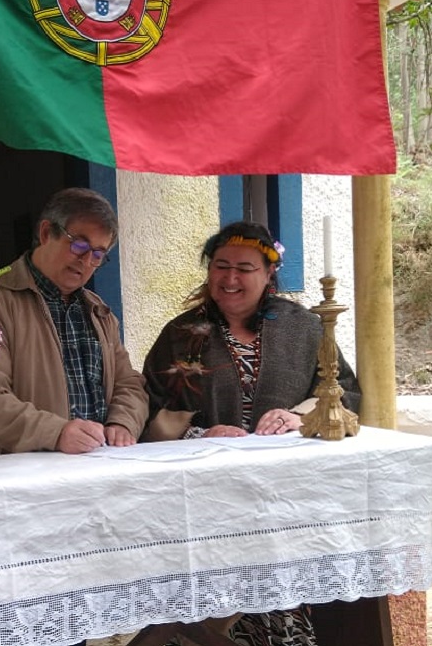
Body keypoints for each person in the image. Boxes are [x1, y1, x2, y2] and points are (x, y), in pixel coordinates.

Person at [141, 221, 362, 646]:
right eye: (221, 266)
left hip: (287, 499)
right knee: (206, 610)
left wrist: (300, 416)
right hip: (206, 501)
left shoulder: (303, 328)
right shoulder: (182, 334)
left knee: (278, 595)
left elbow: (346, 393)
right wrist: (198, 433)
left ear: (268, 276)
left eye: (244, 268)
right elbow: (147, 405)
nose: (230, 278)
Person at [0, 188, 148, 456]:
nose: (86, 261)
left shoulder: (98, 311)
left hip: (101, 471)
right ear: (46, 233)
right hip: (20, 481)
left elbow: (129, 383)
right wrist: (56, 433)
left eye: (98, 254)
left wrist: (123, 422)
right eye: (79, 245)